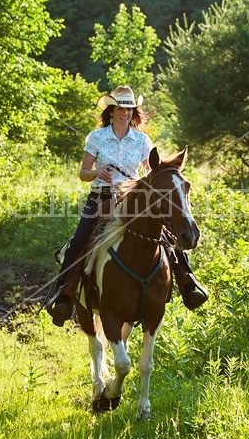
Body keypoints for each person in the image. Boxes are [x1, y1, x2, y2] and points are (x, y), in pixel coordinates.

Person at [47, 85, 208, 327]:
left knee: (168, 234)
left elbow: (150, 172)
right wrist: (97, 172)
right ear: (111, 111)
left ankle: (187, 283)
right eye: (120, 108)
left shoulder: (142, 140)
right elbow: (83, 173)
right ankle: (64, 295)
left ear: (134, 111)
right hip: (101, 198)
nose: (125, 113)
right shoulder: (96, 137)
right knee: (80, 240)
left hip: (134, 201)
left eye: (129, 108)